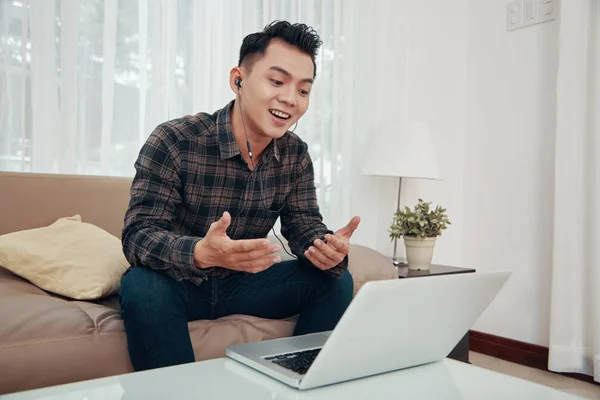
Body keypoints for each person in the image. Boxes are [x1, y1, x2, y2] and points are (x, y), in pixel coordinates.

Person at [119, 20, 361, 372]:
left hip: (244, 284)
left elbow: (304, 226)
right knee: (142, 285)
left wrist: (326, 249)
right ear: (238, 80)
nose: (290, 99)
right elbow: (138, 235)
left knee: (335, 281)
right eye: (276, 81)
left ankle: (295, 383)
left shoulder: (294, 154)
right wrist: (201, 252)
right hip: (179, 282)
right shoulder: (174, 139)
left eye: (303, 90)